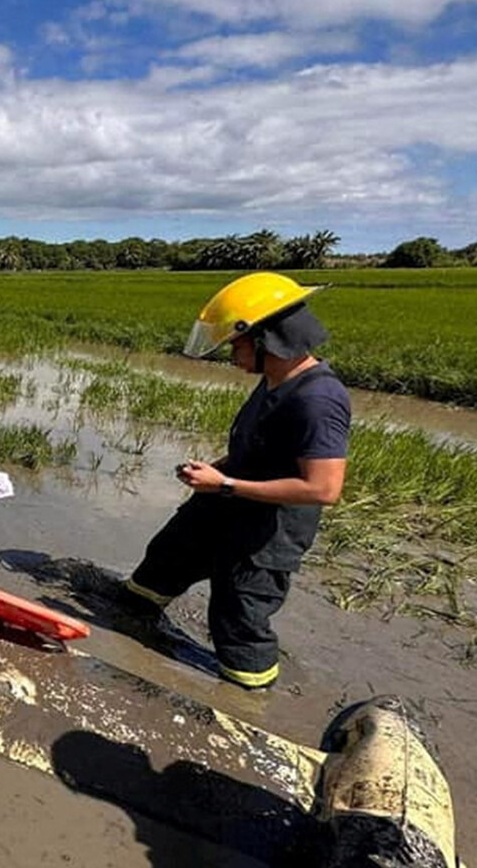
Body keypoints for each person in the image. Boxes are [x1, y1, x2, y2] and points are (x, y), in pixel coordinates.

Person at [123, 272, 351, 690]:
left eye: (236, 344)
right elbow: (257, 446)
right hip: (224, 503)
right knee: (165, 559)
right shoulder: (275, 381)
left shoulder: (317, 400)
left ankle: (247, 696)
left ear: (268, 340)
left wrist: (224, 485)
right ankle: (127, 622)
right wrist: (217, 470)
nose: (232, 356)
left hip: (265, 531)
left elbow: (323, 489)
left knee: (238, 613)